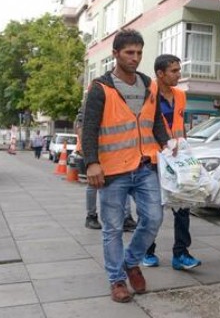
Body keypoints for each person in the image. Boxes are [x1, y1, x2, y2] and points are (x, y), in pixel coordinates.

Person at [82, 29, 169, 303]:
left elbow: (154, 123)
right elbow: (89, 129)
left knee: (154, 217)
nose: (135, 58)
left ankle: (131, 262)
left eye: (139, 53)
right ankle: (117, 280)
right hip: (112, 171)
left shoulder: (149, 84)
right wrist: (92, 163)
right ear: (115, 54)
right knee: (113, 228)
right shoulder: (100, 87)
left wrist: (169, 147)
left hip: (145, 166)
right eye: (129, 53)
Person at [141, 54, 201, 271]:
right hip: (153, 157)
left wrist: (184, 150)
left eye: (179, 69)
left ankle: (181, 254)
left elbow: (180, 125)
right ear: (160, 73)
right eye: (174, 71)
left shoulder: (180, 96)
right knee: (152, 208)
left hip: (176, 159)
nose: (179, 74)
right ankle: (147, 251)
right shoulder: (147, 94)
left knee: (182, 206)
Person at [75, 107, 137, 231]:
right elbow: (81, 122)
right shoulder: (97, 91)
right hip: (95, 147)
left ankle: (126, 217)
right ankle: (91, 216)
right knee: (93, 183)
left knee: (124, 178)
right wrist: (88, 152)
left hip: (116, 147)